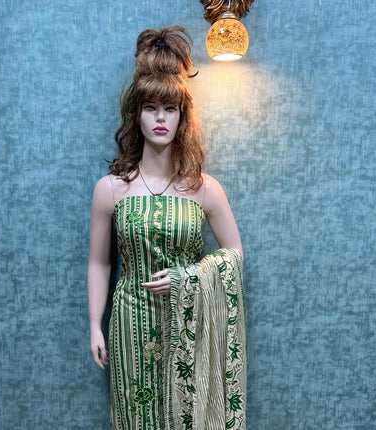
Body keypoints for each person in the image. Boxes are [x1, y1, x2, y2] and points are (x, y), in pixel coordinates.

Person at [87, 26, 246, 430]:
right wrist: (94, 324)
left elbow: (234, 255)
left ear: (182, 116)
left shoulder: (204, 189)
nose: (160, 118)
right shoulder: (110, 190)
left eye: (170, 108)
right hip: (129, 322)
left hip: (188, 324)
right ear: (135, 114)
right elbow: (99, 264)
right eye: (150, 107)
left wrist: (188, 278)